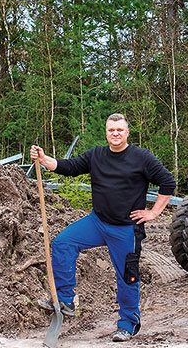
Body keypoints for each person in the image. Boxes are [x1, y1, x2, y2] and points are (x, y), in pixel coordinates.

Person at [30, 113, 176, 342]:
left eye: (119, 130)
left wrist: (154, 212)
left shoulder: (141, 158)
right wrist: (44, 159)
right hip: (97, 222)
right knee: (62, 243)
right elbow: (69, 166)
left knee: (127, 277)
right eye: (111, 130)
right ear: (106, 132)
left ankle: (127, 325)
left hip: (126, 229)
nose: (115, 133)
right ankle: (65, 299)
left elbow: (168, 181)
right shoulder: (96, 155)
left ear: (127, 132)